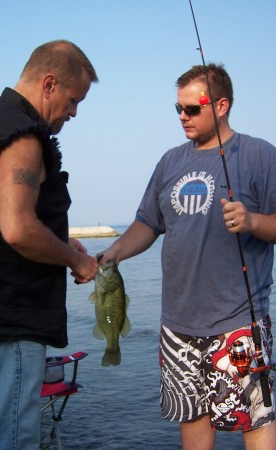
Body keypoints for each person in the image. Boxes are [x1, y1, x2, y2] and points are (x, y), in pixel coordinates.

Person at [100, 63, 276, 450]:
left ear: (222, 105)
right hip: (177, 325)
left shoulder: (260, 155)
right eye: (177, 109)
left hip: (238, 320)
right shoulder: (170, 161)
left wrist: (253, 220)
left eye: (192, 109)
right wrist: (115, 251)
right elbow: (147, 223)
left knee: (256, 418)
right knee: (191, 418)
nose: (182, 116)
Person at [0, 40, 98, 449]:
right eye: (73, 99)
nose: (75, 112)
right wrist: (75, 262)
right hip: (6, 318)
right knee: (8, 439)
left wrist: (63, 245)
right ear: (49, 84)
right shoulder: (22, 136)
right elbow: (18, 229)